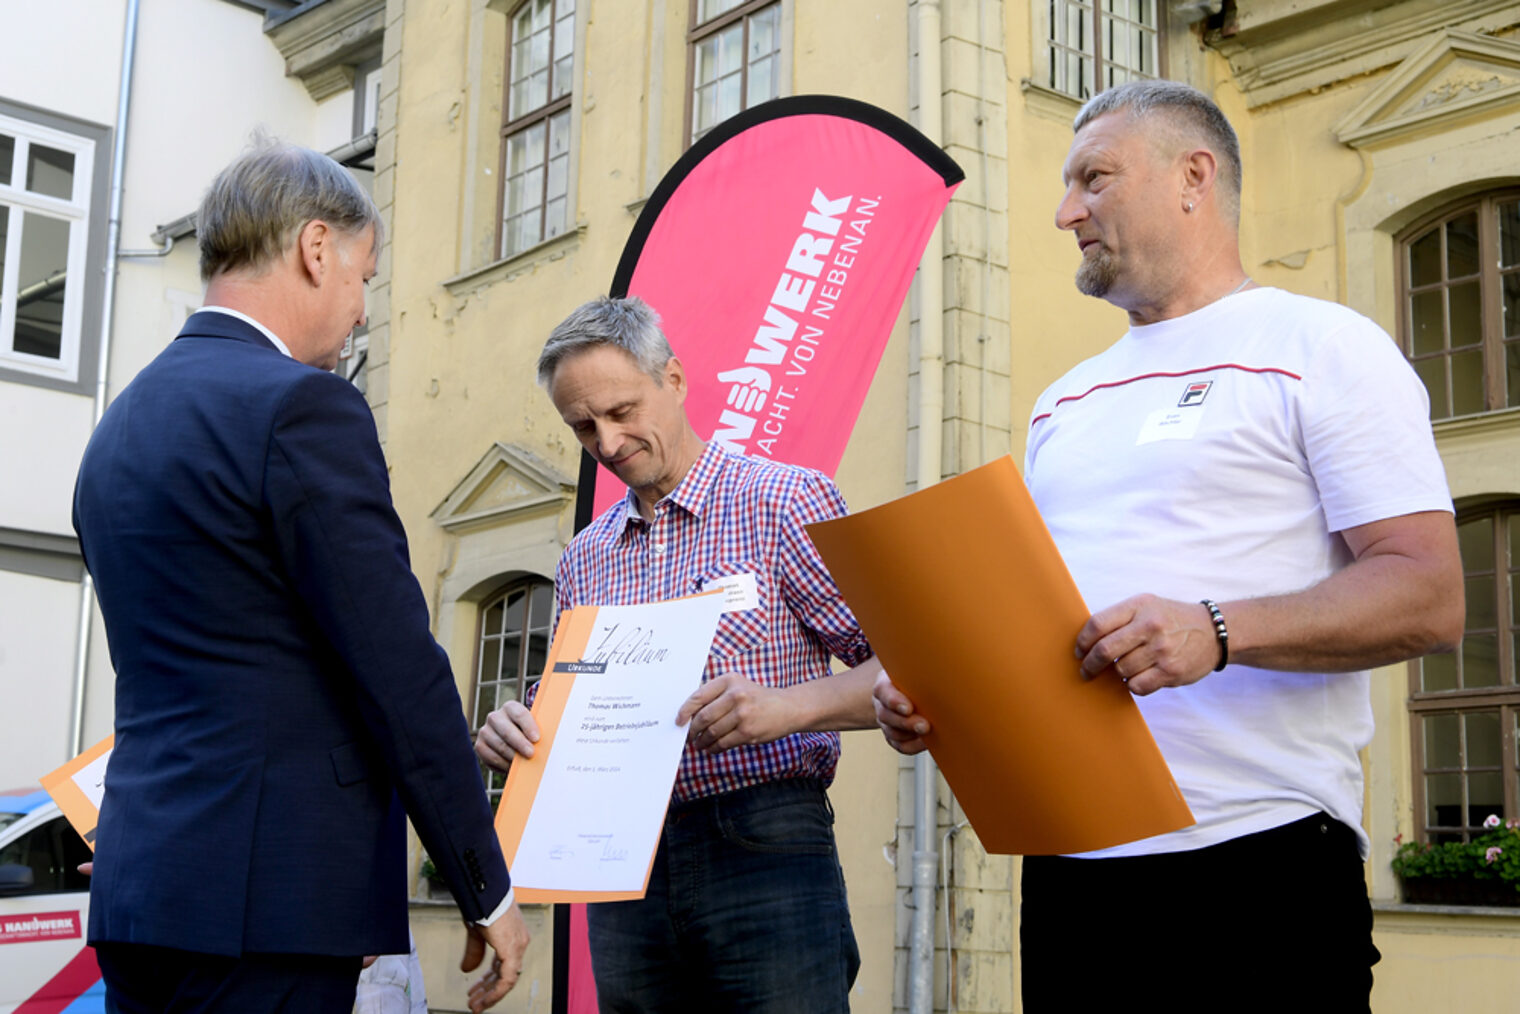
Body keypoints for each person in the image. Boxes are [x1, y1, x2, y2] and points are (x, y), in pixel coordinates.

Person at [873, 80, 1464, 1010]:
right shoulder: (1063, 401)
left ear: (1194, 177)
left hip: (1258, 865)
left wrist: (1217, 629)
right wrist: (936, 694)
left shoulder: (1323, 345)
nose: (1066, 211)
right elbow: (1045, 628)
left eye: (1093, 178)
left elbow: (1428, 594)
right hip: (1073, 870)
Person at [72, 141, 529, 1014]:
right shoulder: (303, 406)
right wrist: (486, 887)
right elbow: (397, 669)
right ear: (317, 250)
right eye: (364, 278)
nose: (361, 312)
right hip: (269, 908)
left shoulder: (116, 430)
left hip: (140, 894)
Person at [474, 296, 880, 1013]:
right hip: (620, 865)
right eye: (582, 426)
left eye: (622, 409)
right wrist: (519, 732)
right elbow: (570, 713)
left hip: (766, 842)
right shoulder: (585, 558)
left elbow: (911, 665)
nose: (606, 440)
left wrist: (790, 708)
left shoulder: (784, 502)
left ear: (677, 380)